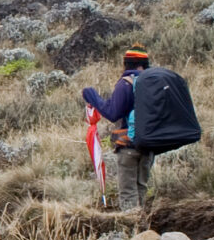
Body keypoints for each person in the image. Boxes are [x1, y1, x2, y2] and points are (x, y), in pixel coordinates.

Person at [83, 47, 201, 210]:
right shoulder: (156, 85)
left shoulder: (126, 84)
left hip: (128, 146)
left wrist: (91, 96)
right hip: (149, 145)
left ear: (126, 64)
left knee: (128, 193)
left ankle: (132, 224)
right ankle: (143, 223)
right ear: (144, 65)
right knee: (141, 189)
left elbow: (112, 113)